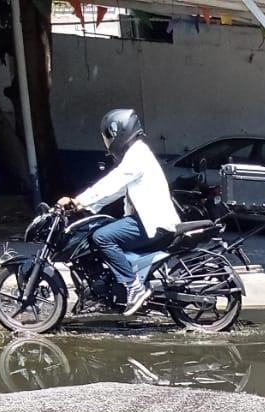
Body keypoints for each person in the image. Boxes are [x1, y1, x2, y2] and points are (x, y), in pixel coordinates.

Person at [57, 108, 180, 315]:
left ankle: (133, 287)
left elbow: (112, 183)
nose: (108, 141)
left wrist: (78, 201)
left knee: (102, 237)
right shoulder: (137, 154)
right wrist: (86, 206)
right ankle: (107, 294)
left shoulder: (137, 155)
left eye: (109, 136)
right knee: (103, 229)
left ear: (120, 131)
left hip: (153, 223)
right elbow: (117, 191)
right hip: (147, 221)